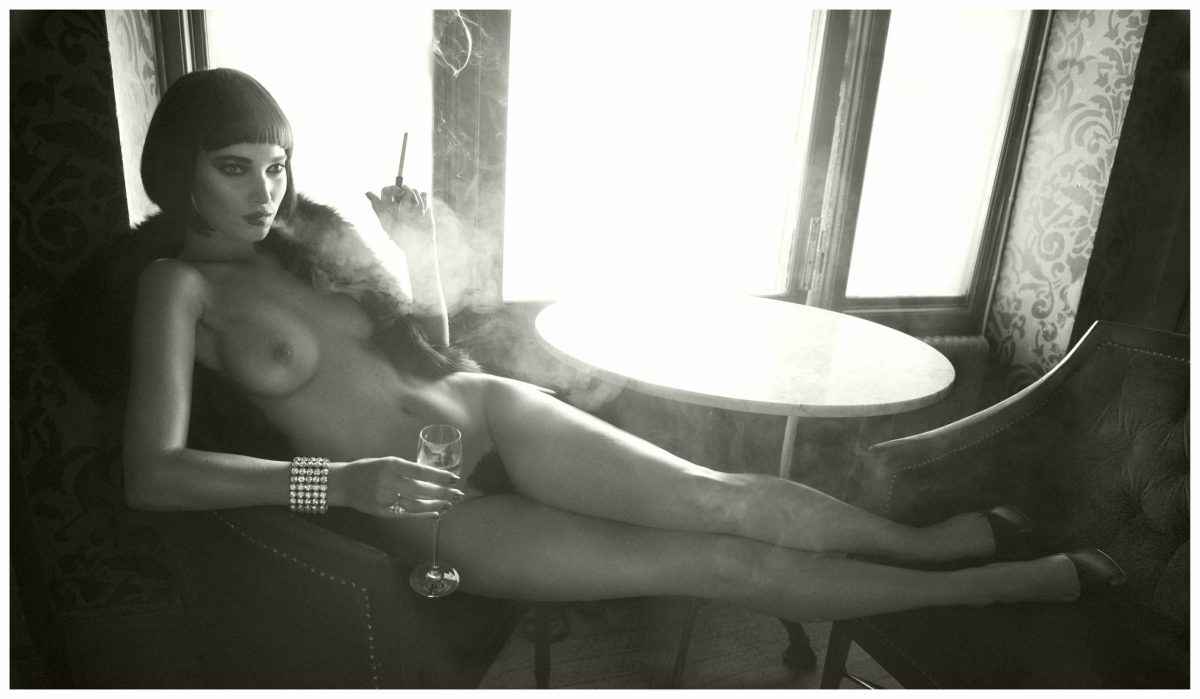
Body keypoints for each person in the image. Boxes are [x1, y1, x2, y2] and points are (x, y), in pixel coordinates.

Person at [86, 68, 1123, 627]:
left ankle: (925, 545)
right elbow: (153, 474)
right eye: (234, 168)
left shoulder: (306, 238)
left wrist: (412, 255)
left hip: (486, 412)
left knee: (726, 497)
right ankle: (993, 586)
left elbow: (417, 352)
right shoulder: (178, 289)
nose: (265, 191)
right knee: (721, 564)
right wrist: (340, 484)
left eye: (274, 165)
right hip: (430, 509)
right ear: (180, 171)